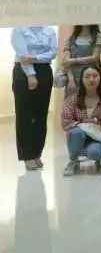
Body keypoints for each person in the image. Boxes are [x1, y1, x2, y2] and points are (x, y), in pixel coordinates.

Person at [10, 26, 57, 170]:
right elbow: (23, 55)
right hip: (23, 72)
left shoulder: (50, 30)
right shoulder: (19, 29)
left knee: (41, 114)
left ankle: (37, 153)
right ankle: (27, 155)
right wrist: (31, 74)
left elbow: (52, 53)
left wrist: (35, 57)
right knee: (24, 115)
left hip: (44, 71)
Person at [61, 65, 101, 176]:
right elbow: (66, 122)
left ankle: (99, 161)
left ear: (100, 78)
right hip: (78, 136)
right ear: (82, 79)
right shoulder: (73, 97)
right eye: (87, 77)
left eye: (95, 76)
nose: (91, 79)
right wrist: (86, 123)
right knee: (75, 132)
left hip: (98, 136)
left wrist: (97, 125)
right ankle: (73, 161)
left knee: (95, 152)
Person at [62, 24, 101, 96]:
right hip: (73, 78)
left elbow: (95, 57)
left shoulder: (97, 37)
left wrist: (74, 60)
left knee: (90, 100)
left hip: (90, 78)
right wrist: (71, 79)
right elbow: (66, 62)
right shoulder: (70, 38)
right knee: (71, 101)